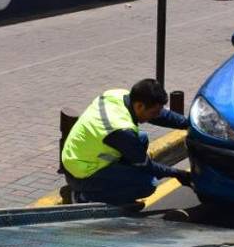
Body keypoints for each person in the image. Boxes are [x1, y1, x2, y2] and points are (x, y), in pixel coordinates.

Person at [61, 80, 191, 204]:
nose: (156, 116)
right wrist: (177, 173)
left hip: (77, 155)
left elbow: (161, 115)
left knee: (142, 138)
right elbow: (147, 166)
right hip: (81, 173)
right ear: (140, 105)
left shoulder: (118, 95)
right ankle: (82, 197)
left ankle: (116, 186)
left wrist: (189, 124)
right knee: (148, 184)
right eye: (153, 112)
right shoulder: (121, 130)